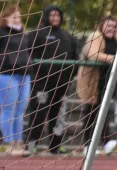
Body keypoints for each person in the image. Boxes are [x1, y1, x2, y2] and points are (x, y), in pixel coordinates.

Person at [76, 15, 117, 156]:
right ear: (102, 26)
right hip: (93, 79)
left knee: (104, 110)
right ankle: (88, 145)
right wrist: (115, 59)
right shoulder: (96, 36)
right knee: (92, 111)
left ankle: (106, 142)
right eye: (108, 26)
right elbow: (94, 55)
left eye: (114, 26)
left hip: (109, 79)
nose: (111, 29)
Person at [26, 5, 78, 155]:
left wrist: (70, 76)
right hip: (41, 83)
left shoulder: (68, 36)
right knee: (38, 113)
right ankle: (31, 144)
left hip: (61, 84)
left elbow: (75, 58)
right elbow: (30, 55)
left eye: (58, 15)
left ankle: (55, 146)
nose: (55, 18)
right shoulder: (37, 34)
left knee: (58, 115)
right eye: (52, 15)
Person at [0, 6, 32, 155]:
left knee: (20, 110)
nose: (16, 19)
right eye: (13, 17)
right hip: (4, 74)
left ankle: (19, 142)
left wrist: (28, 64)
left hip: (23, 75)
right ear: (5, 18)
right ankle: (10, 143)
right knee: (8, 108)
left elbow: (29, 52)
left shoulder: (24, 34)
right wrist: (9, 62)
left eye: (18, 17)